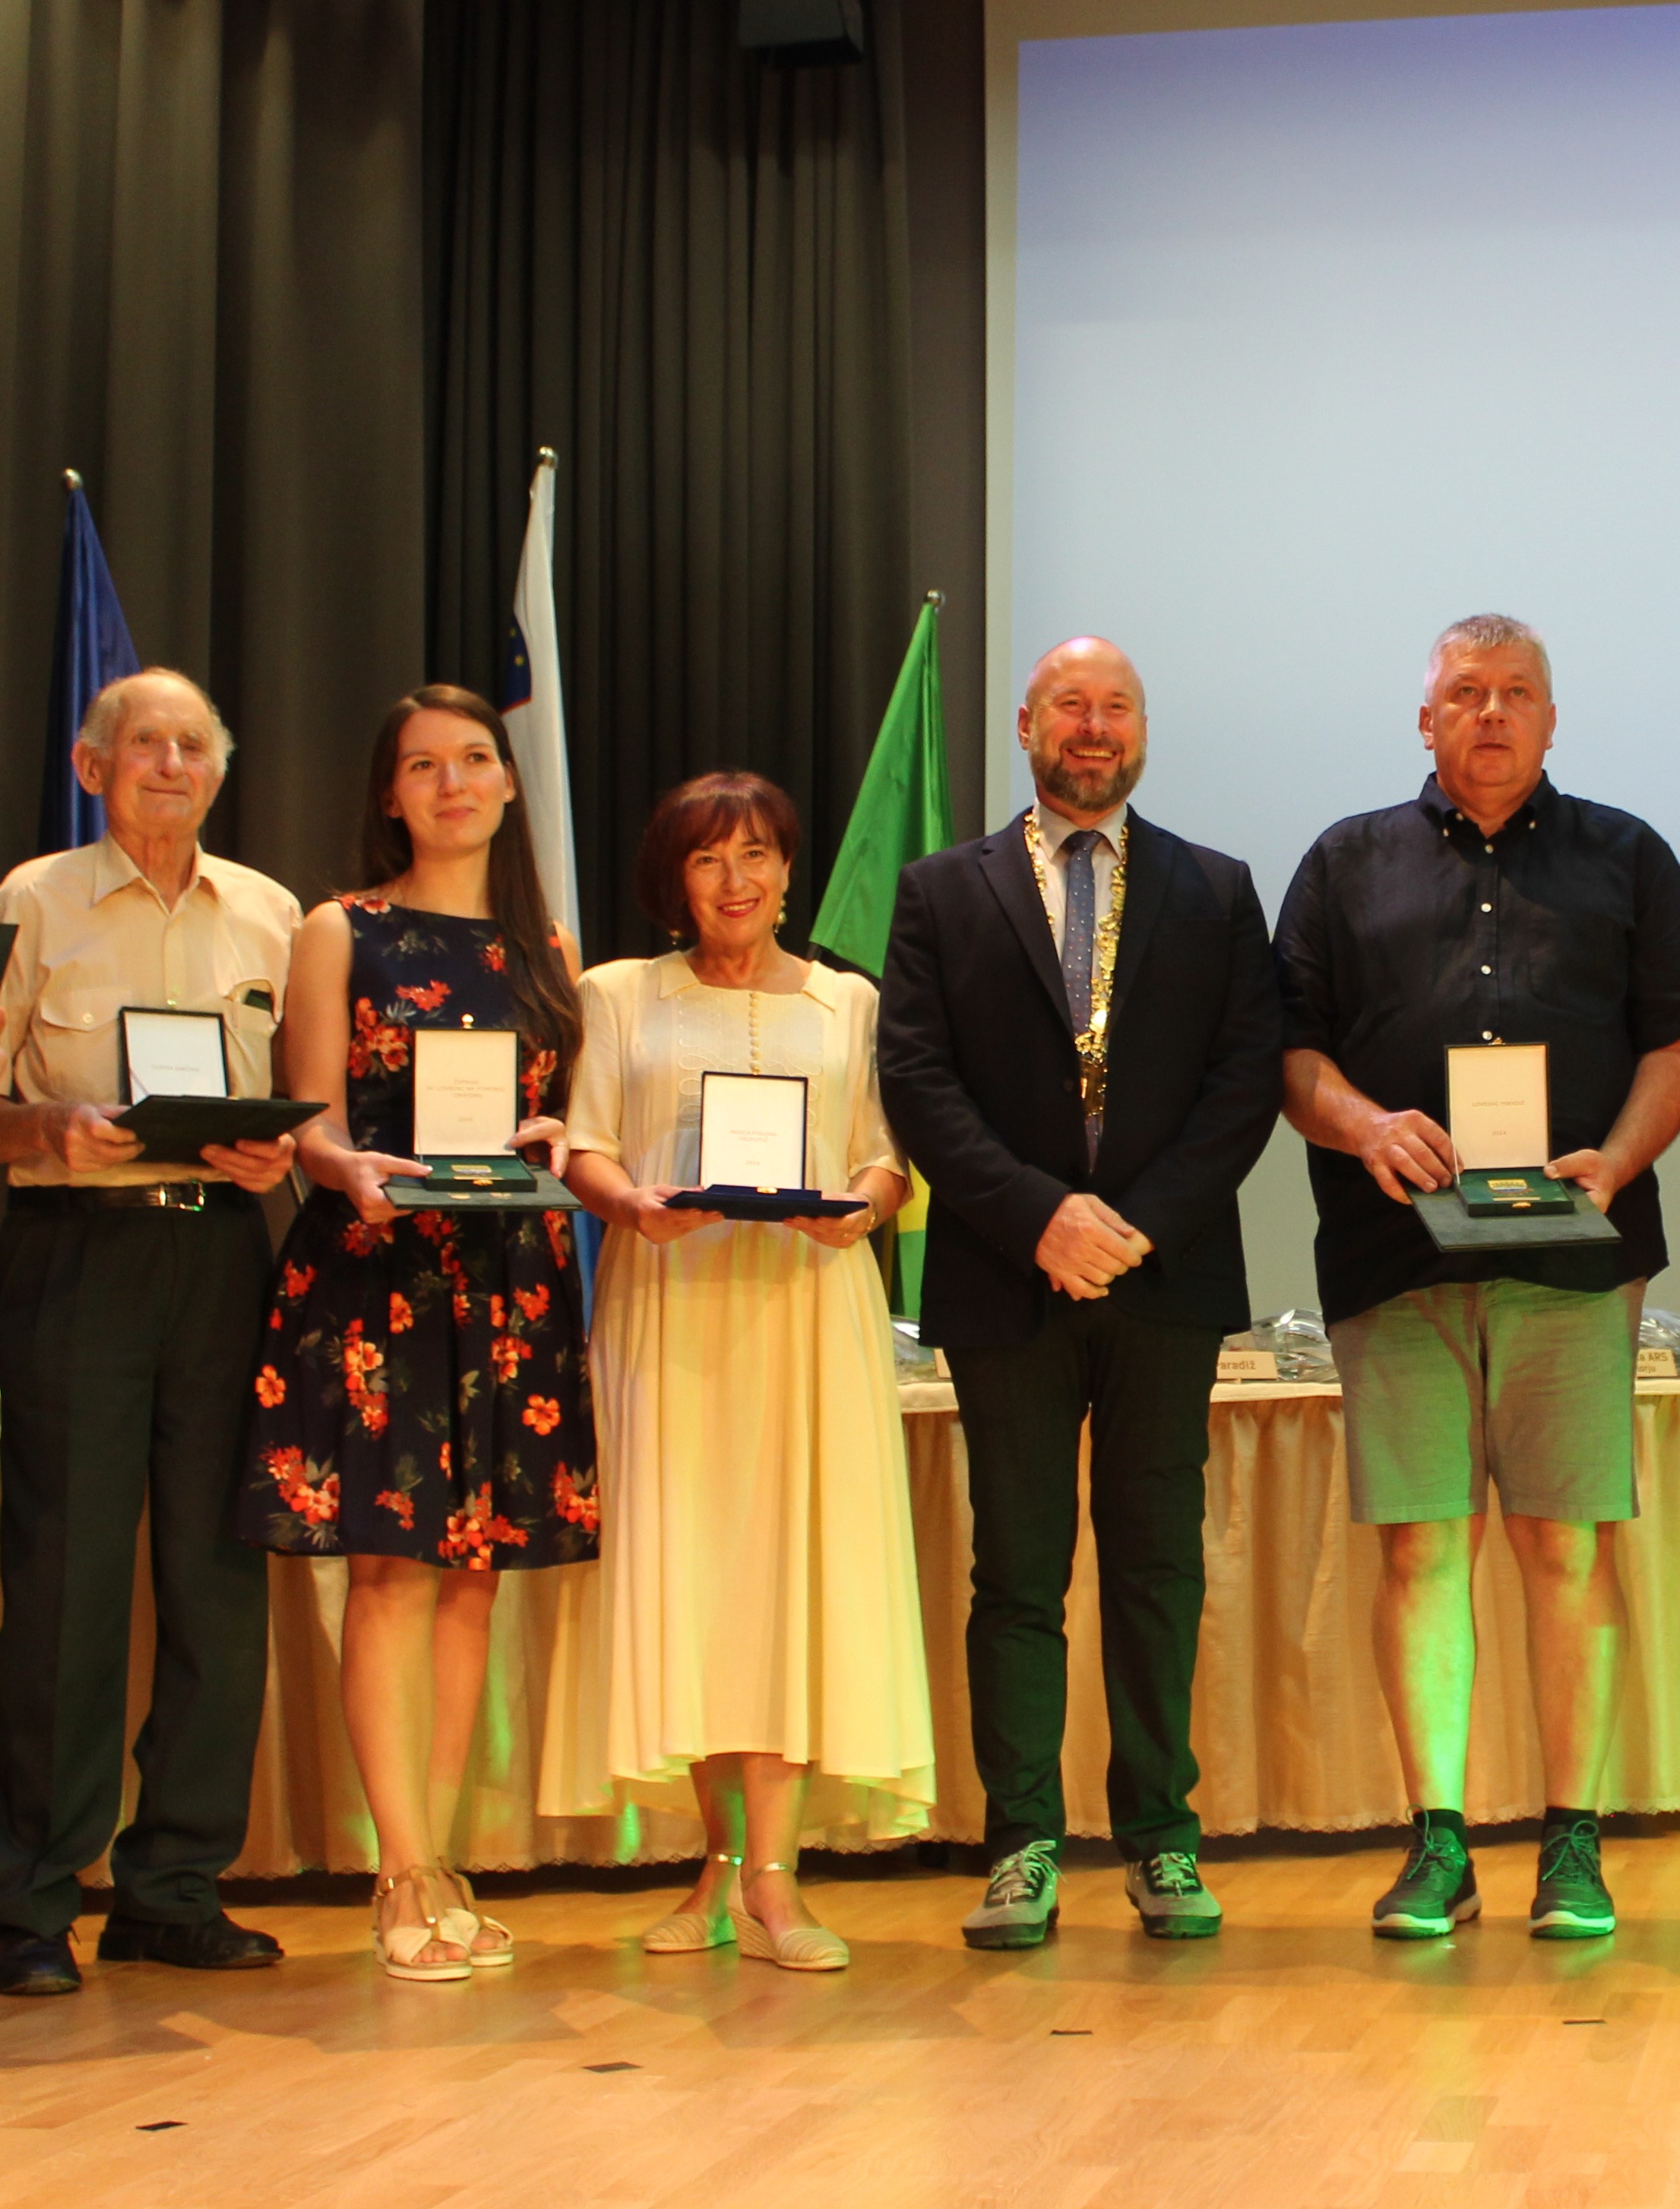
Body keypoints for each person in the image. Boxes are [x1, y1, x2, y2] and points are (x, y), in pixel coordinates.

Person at [1275, 614, 1680, 1942]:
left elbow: (1676, 1039)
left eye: (1516, 692)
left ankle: (1572, 1842)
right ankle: (1440, 1841)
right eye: (1463, 693)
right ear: (1424, 720)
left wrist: (1620, 1162)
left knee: (1562, 1547)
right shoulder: (1345, 861)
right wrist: (1360, 1125)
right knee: (1421, 1547)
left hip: (1571, 1263)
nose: (1490, 713)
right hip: (1392, 1257)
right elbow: (1286, 1049)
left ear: (1552, 717)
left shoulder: (1627, 856)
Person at [878, 637, 1286, 1948]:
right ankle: (1022, 1843)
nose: (1093, 727)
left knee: (1159, 1565)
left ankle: (1162, 1836)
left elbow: (1243, 1081)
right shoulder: (943, 891)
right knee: (1017, 1572)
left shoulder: (1217, 889)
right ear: (1025, 726)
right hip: (1008, 1277)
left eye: (1115, 707)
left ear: (1142, 729)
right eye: (1071, 705)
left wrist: (1133, 1226)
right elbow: (919, 1082)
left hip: (1162, 1280)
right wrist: (1038, 1217)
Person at [544, 774, 934, 1972]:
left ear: (787, 869)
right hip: (670, 1311)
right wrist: (630, 1207)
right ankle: (716, 1862)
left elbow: (884, 1159)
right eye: (710, 860)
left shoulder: (847, 1004)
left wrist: (859, 1213)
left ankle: (774, 1877)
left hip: (810, 1320)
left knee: (792, 1585)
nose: (737, 881)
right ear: (675, 877)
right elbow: (585, 1140)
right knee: (694, 1586)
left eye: (759, 855)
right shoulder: (616, 995)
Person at [239, 685, 596, 1981]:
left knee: (473, 1577)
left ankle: (442, 1855)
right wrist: (343, 1168)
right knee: (390, 1571)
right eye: (422, 765)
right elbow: (312, 1120)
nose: (452, 783)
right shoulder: (341, 928)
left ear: (508, 782)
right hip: (381, 1273)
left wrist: (558, 1137)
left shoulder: (544, 943)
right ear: (388, 792)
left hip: (509, 1279)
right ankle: (398, 1869)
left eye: (473, 760)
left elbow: (569, 1116)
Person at [0, 668, 305, 1999]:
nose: (170, 763)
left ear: (220, 771)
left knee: (220, 1578)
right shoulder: (31, 898)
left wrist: (278, 1158)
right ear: (92, 763)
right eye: (143, 743)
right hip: (76, 1250)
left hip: (223, 1252)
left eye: (193, 746)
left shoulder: (270, 914)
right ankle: (35, 1899)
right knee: (66, 1580)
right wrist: (46, 1129)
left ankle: (173, 1888)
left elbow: (298, 1102)